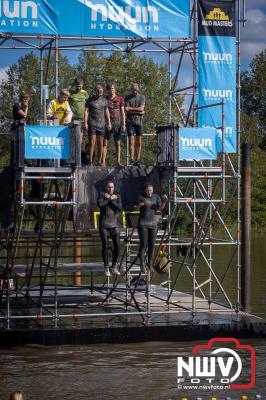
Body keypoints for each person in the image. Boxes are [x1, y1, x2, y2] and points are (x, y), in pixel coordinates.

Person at [136, 183, 168, 273]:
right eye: (147, 190)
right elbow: (136, 206)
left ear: (152, 190)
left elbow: (160, 208)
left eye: (150, 190)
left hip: (153, 224)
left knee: (152, 245)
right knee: (143, 245)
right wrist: (139, 206)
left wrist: (164, 201)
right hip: (143, 223)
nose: (149, 192)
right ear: (145, 190)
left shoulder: (156, 197)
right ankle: (142, 265)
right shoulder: (141, 197)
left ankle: (149, 264)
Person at [97, 181, 122, 276]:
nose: (110, 189)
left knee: (118, 246)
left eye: (112, 187)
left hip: (114, 224)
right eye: (108, 187)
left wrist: (111, 200)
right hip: (104, 225)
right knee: (105, 246)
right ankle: (106, 267)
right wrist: (109, 199)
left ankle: (114, 265)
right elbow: (100, 204)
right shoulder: (102, 194)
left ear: (114, 188)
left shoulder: (118, 196)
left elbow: (119, 207)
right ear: (106, 187)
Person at [84, 84, 111, 166]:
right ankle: (90, 161)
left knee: (101, 144)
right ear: (96, 91)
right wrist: (85, 122)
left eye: (101, 92)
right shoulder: (90, 100)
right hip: (92, 123)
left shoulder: (104, 100)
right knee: (92, 143)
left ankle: (99, 161)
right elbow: (86, 111)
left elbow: (106, 111)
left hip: (101, 124)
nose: (100, 93)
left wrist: (109, 122)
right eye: (98, 92)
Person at [103, 83, 126, 167]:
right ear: (107, 90)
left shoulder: (120, 99)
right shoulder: (105, 99)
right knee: (104, 142)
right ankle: (103, 162)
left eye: (112, 88)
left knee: (117, 142)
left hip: (117, 122)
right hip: (107, 122)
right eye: (109, 88)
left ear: (115, 89)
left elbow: (122, 112)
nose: (111, 90)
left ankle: (118, 162)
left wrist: (123, 124)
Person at [125, 83, 145, 164]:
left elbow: (141, 109)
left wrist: (130, 109)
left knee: (139, 142)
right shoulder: (127, 98)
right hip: (130, 122)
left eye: (136, 90)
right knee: (131, 141)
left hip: (139, 122)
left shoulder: (142, 97)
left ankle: (138, 159)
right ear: (131, 90)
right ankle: (132, 159)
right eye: (133, 90)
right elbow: (126, 110)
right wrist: (139, 111)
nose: (135, 92)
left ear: (138, 90)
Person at [69, 76, 89, 145]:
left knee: (80, 136)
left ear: (82, 85)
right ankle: (71, 154)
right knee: (72, 136)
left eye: (80, 86)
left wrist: (86, 119)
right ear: (75, 85)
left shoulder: (85, 93)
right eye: (77, 86)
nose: (79, 88)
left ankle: (78, 154)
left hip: (82, 118)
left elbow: (88, 105)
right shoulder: (70, 92)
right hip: (73, 118)